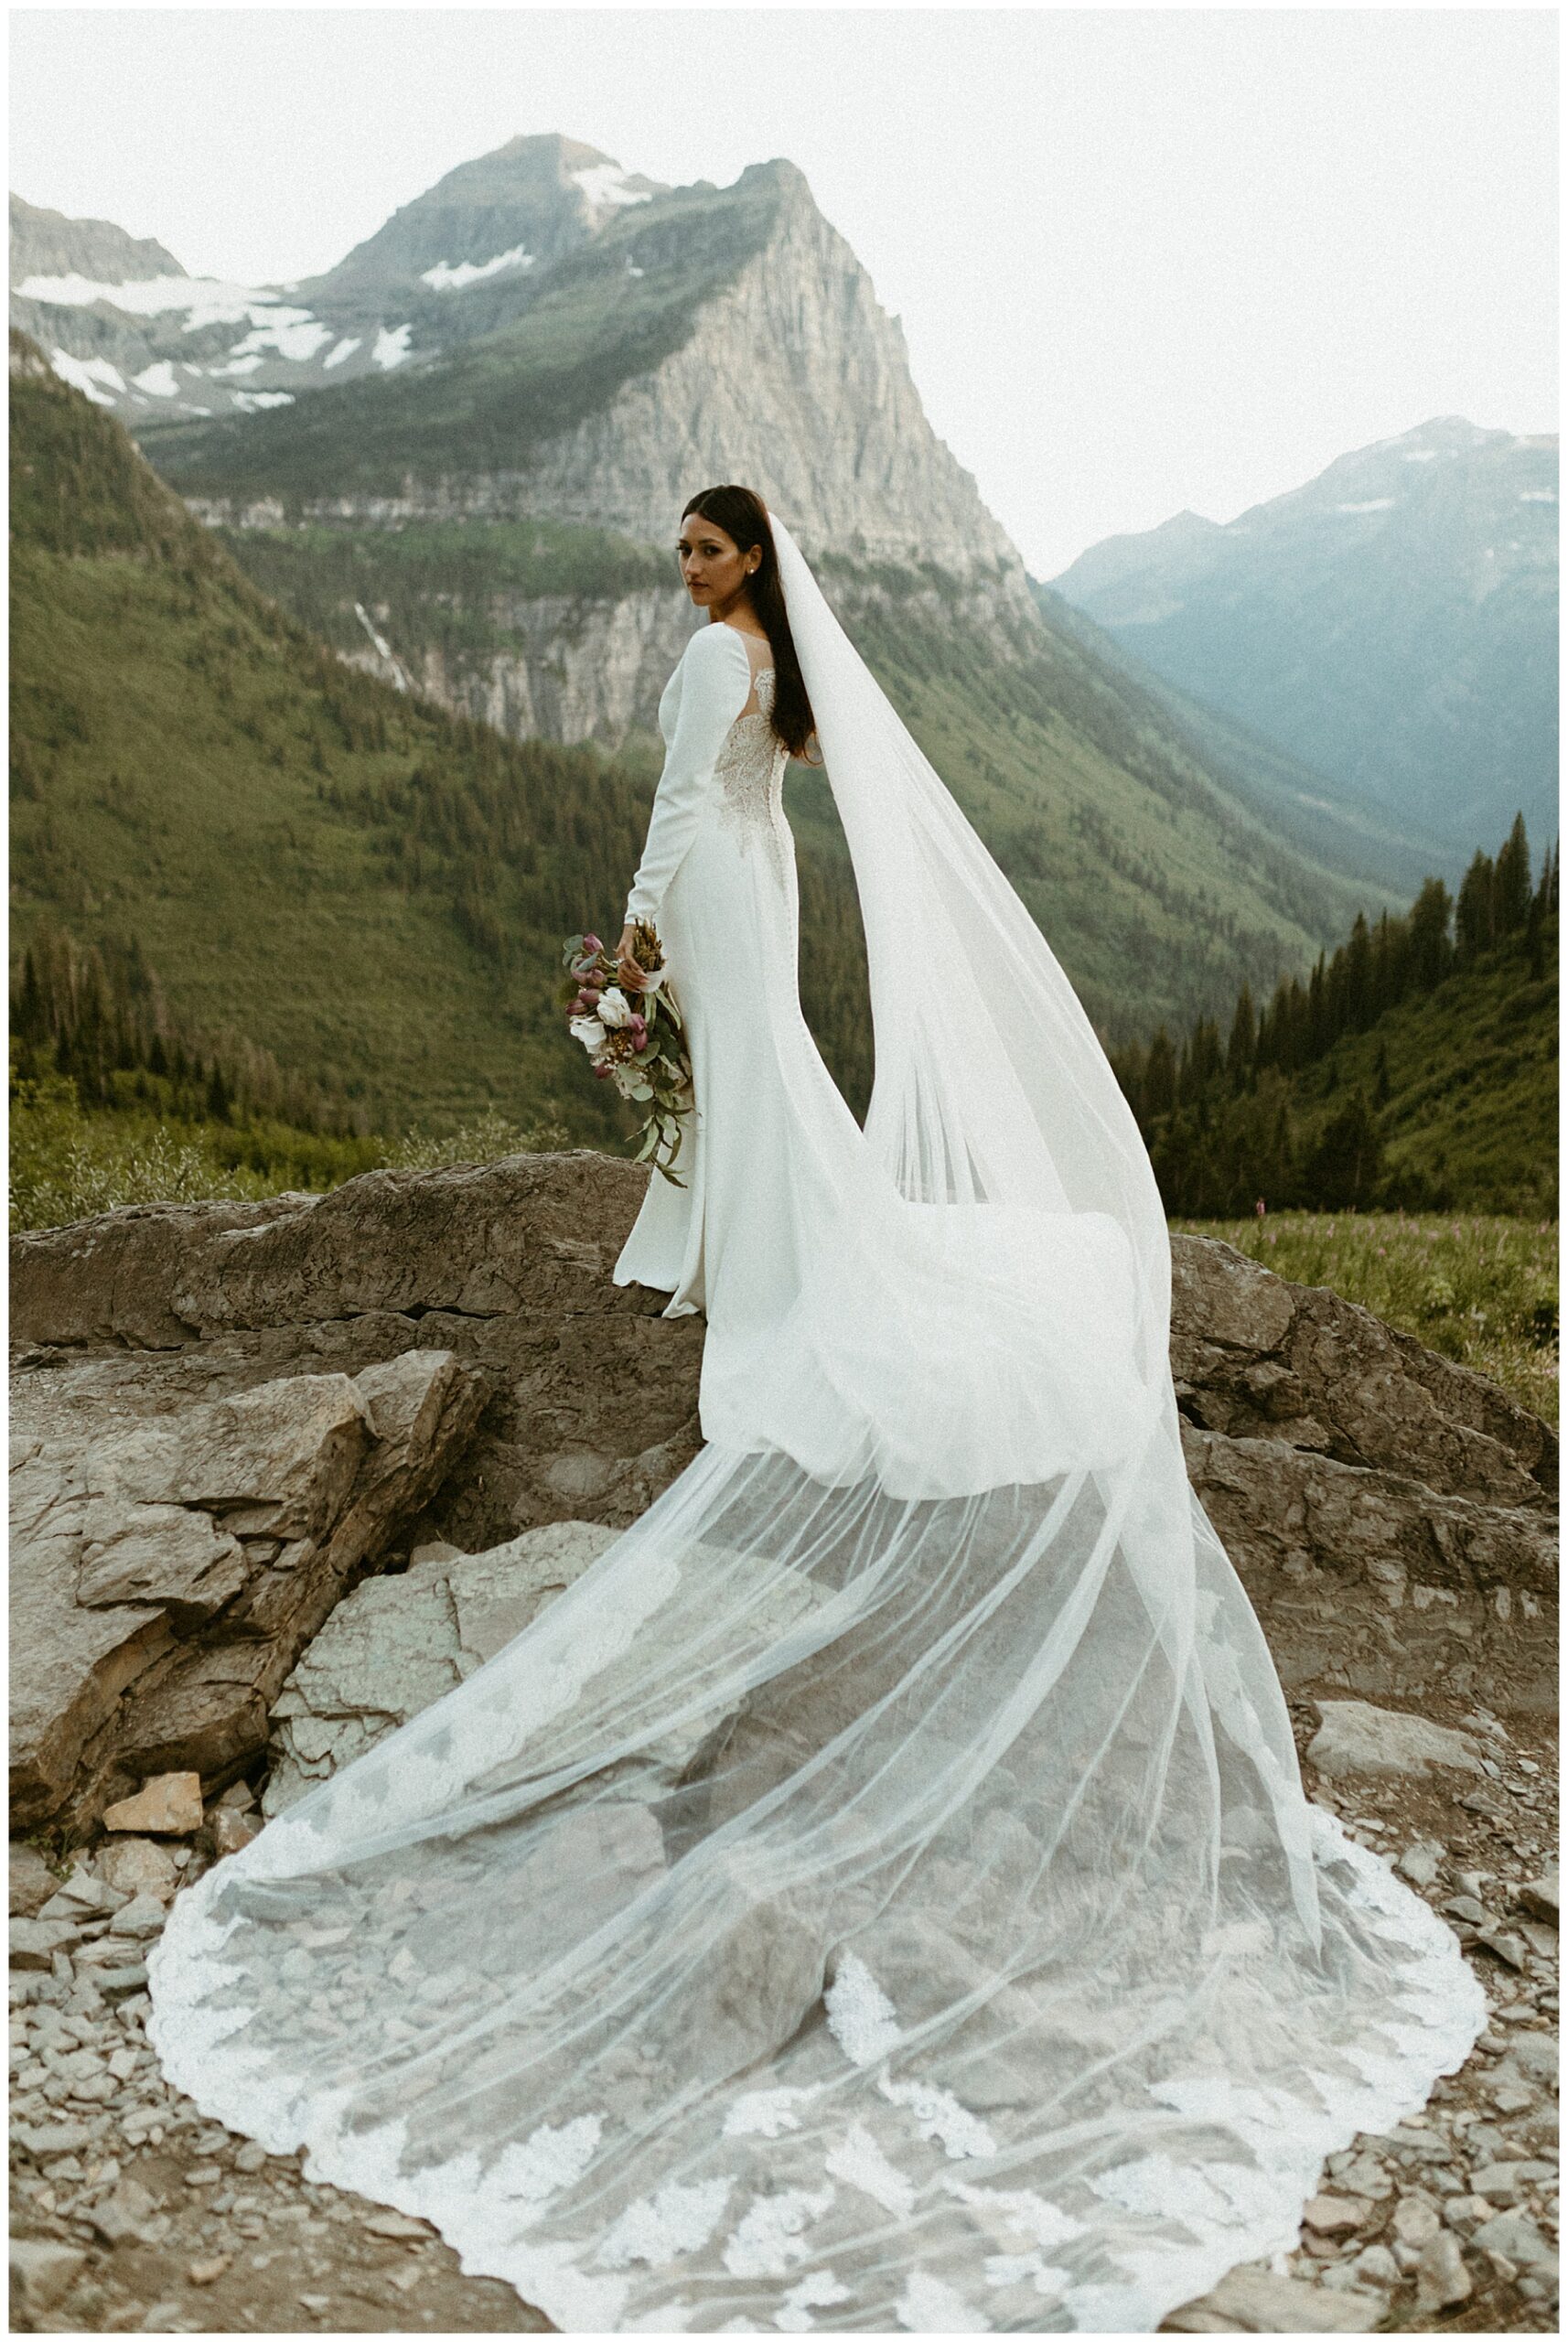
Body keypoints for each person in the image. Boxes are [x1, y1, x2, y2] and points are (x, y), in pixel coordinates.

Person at [146, 487, 1486, 2335]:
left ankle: (757, 1277)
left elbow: (671, 815)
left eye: (704, 551)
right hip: (759, 894)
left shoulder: (717, 660)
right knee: (771, 1091)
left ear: (743, 564)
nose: (684, 576)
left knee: (753, 1091)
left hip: (714, 888)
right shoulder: (777, 666)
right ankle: (749, 1254)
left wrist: (628, 950)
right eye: (682, 553)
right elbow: (747, 798)